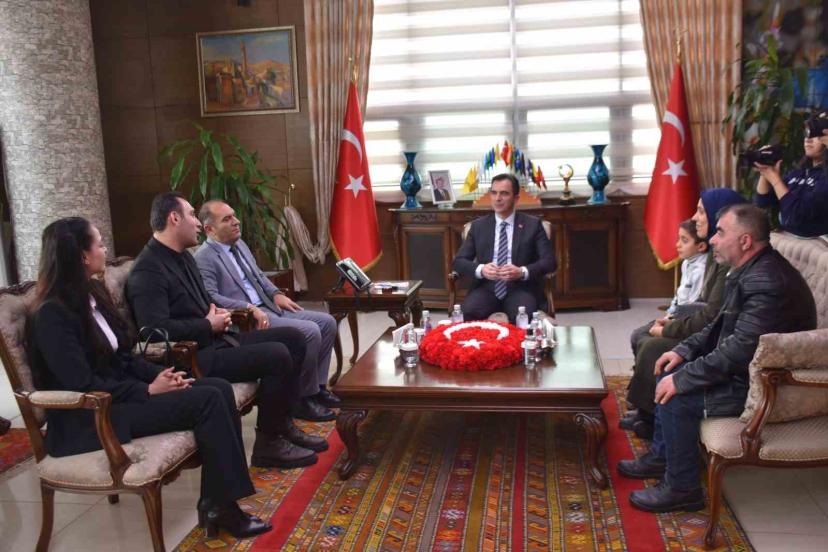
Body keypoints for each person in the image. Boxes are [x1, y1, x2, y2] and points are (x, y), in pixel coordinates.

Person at [27, 217, 271, 538]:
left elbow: (124, 356)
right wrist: (148, 390)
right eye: (99, 243)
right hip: (91, 417)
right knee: (209, 399)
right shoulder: (51, 315)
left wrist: (162, 376)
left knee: (218, 388)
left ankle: (217, 502)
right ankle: (222, 508)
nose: (105, 249)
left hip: (120, 397)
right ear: (82, 256)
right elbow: (82, 384)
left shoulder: (92, 293)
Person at [618, 204, 816, 513]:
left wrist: (683, 379)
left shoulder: (766, 281)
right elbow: (719, 325)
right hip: (748, 370)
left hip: (763, 384)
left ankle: (682, 489)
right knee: (669, 367)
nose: (711, 239)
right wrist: (682, 350)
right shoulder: (750, 269)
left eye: (721, 232)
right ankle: (662, 457)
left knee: (676, 396)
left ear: (745, 241)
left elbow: (739, 351)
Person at [126, 192, 326, 470]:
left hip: (217, 339)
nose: (198, 223)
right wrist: (207, 324)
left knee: (293, 337)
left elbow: (204, 301)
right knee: (277, 354)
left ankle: (282, 425)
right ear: (174, 218)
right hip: (194, 356)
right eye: (192, 215)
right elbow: (155, 331)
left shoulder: (182, 257)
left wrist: (217, 314)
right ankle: (269, 443)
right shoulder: (148, 270)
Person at [194, 200, 339, 421]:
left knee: (327, 322)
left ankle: (317, 388)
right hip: (246, 319)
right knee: (310, 331)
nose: (236, 221)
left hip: (267, 305)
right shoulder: (204, 257)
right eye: (227, 219)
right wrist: (248, 307)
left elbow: (260, 276)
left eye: (234, 215)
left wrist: (276, 293)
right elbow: (211, 296)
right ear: (209, 229)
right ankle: (302, 398)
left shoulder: (240, 244)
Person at [621, 189, 748, 439]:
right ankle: (646, 410)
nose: (694, 217)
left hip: (714, 338)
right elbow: (702, 305)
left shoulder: (725, 258)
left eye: (701, 211)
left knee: (652, 345)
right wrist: (673, 320)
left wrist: (670, 328)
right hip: (702, 325)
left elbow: (712, 315)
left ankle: (650, 415)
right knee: (641, 335)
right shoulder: (715, 251)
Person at [452, 173, 556, 323]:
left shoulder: (533, 225)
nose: (497, 198)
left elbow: (550, 262)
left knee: (524, 318)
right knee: (466, 313)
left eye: (504, 193)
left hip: (520, 288)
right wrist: (482, 269)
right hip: (487, 287)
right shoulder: (478, 226)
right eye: (494, 193)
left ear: (516, 198)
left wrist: (522, 272)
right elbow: (459, 262)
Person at [754, 112, 828, 237]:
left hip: (813, 243)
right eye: (808, 132)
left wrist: (775, 179)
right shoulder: (799, 172)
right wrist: (765, 169)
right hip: (790, 239)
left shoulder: (824, 176)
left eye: (817, 134)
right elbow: (763, 202)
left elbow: (796, 215)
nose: (808, 139)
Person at [665, 220, 708, 318]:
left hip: (687, 318)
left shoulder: (700, 271)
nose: (677, 245)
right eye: (679, 239)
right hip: (678, 312)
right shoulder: (686, 262)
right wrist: (670, 311)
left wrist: (672, 320)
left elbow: (692, 307)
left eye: (684, 241)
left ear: (701, 246)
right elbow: (680, 292)